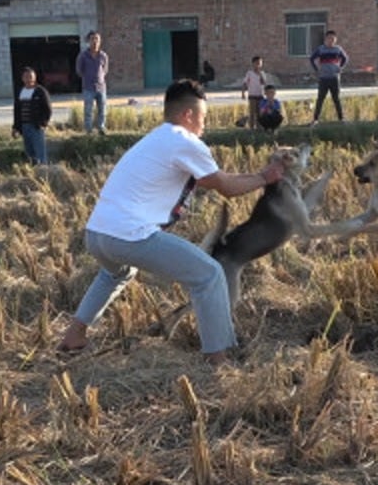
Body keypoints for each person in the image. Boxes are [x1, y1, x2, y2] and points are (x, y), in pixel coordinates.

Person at [57, 79, 287, 364]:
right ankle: (219, 359)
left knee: (115, 273)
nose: (204, 126)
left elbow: (209, 180)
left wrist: (260, 176)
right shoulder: (184, 139)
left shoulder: (156, 139)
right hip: (130, 235)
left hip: (97, 234)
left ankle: (74, 336)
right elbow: (225, 186)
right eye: (203, 118)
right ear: (188, 115)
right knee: (209, 275)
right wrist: (265, 177)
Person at [12, 66, 52, 164]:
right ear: (22, 78)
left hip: (36, 127)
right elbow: (17, 111)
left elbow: (48, 110)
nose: (28, 79)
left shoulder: (40, 91)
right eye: (26, 77)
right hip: (24, 127)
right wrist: (16, 127)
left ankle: (43, 172)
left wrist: (43, 123)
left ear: (35, 78)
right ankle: (33, 172)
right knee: (29, 153)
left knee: (40, 153)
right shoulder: (20, 92)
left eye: (31, 77)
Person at [309, 30, 348, 126]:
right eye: (329, 38)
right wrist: (316, 69)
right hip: (323, 78)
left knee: (336, 99)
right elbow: (312, 58)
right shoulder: (321, 49)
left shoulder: (338, 49)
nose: (331, 40)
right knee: (320, 99)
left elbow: (345, 58)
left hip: (334, 77)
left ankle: (341, 119)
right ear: (325, 39)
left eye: (333, 38)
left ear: (335, 39)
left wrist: (340, 67)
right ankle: (315, 119)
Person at [76, 30, 109, 134]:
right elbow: (79, 70)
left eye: (97, 39)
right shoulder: (83, 56)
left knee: (102, 110)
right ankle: (88, 129)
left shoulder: (103, 56)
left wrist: (100, 78)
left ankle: (101, 128)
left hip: (101, 87)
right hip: (88, 87)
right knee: (88, 110)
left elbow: (105, 70)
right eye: (92, 39)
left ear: (100, 41)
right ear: (88, 41)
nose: (95, 42)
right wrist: (87, 77)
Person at [240, 56, 268, 129]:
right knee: (252, 113)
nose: (258, 65)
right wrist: (243, 93)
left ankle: (259, 127)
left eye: (260, 63)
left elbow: (263, 83)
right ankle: (251, 127)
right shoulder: (249, 73)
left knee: (260, 113)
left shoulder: (262, 73)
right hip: (252, 95)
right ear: (253, 64)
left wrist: (260, 75)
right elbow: (245, 83)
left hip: (260, 95)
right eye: (257, 63)